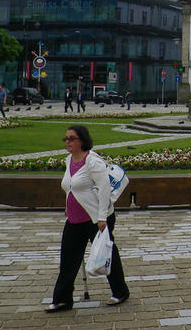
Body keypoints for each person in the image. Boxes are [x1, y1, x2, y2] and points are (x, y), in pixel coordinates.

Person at [45, 125, 129, 312]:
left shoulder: (93, 162)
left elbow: (104, 189)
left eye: (72, 139)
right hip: (74, 219)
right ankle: (62, 299)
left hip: (95, 219)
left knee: (107, 253)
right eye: (65, 139)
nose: (67, 142)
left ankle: (120, 291)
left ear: (82, 140)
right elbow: (71, 187)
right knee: (68, 259)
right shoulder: (68, 160)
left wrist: (101, 218)